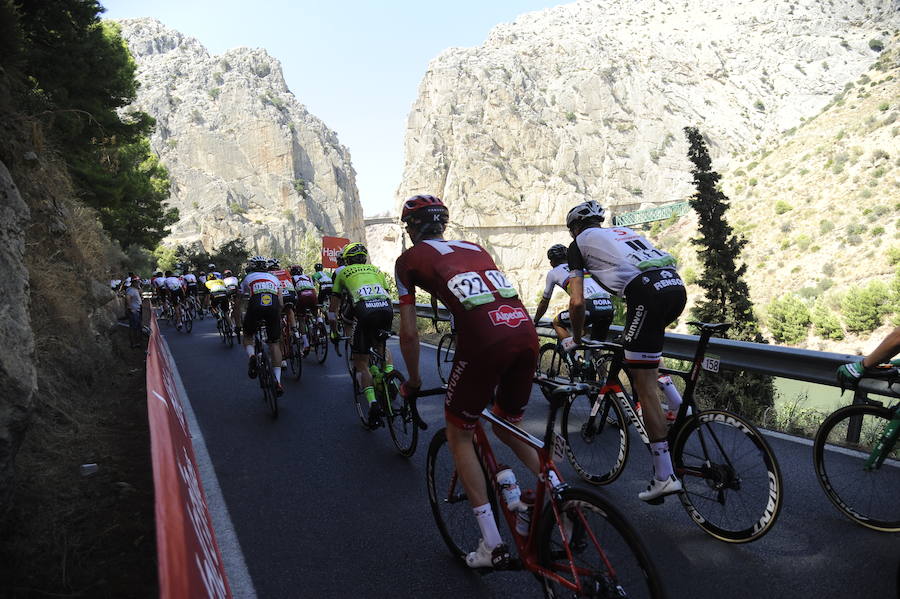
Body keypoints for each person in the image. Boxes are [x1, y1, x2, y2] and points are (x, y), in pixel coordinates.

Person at [395, 194, 540, 569]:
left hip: (485, 340)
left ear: (412, 229)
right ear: (442, 223)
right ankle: (555, 493)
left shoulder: (408, 260)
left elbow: (409, 336)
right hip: (524, 331)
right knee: (509, 423)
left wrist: (412, 380)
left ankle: (491, 544)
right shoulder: (474, 246)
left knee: (459, 430)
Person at [564, 200, 686, 502]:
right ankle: (679, 405)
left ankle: (663, 475)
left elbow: (577, 302)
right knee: (642, 359)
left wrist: (577, 337)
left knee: (642, 383)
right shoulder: (620, 231)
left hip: (645, 293)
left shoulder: (577, 243)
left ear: (575, 228)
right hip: (675, 287)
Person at [329, 242, 394, 427]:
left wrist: (334, 332)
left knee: (360, 361)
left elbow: (333, 310)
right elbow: (386, 295)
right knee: (381, 345)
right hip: (386, 310)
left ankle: (373, 404)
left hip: (364, 311)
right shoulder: (377, 270)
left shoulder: (342, 272)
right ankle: (389, 376)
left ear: (347, 260)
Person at [532, 243, 614, 343]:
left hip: (589, 306)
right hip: (608, 305)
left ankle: (573, 352)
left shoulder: (553, 273)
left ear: (552, 262)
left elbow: (544, 302)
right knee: (596, 346)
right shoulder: (582, 267)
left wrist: (535, 320)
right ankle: (597, 358)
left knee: (557, 322)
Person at [241, 256, 284, 395]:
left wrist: (244, 313)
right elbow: (281, 302)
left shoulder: (248, 277)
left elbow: (241, 297)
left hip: (255, 305)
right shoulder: (274, 278)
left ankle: (252, 355)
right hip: (273, 306)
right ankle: (278, 381)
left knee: (248, 335)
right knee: (275, 343)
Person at [291, 265, 318, 354]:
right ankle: (318, 327)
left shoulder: (292, 278)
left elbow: (292, 290)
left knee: (301, 319)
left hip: (301, 296)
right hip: (312, 294)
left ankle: (306, 344)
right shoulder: (307, 277)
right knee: (315, 313)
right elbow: (313, 286)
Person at [222, 269, 242, 337]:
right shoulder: (235, 278)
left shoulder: (223, 280)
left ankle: (231, 323)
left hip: (228, 292)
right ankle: (239, 324)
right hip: (236, 291)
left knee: (226, 306)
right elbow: (239, 287)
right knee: (237, 307)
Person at [125, 277, 143, 348]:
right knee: (133, 327)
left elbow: (141, 292)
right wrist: (130, 308)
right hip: (134, 310)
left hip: (137, 310)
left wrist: (139, 287)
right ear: (133, 283)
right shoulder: (131, 290)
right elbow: (128, 298)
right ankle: (133, 343)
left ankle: (136, 342)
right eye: (137, 282)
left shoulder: (135, 289)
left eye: (139, 282)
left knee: (137, 327)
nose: (138, 283)